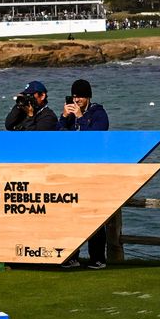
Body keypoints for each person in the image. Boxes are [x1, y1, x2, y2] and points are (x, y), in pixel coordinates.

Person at [57, 79, 111, 269]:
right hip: (72, 169)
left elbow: (95, 137)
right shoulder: (70, 114)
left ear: (88, 96)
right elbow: (58, 136)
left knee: (95, 215)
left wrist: (80, 117)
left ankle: (98, 258)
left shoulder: (99, 113)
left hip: (94, 170)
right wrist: (64, 117)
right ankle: (72, 256)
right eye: (74, 96)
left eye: (79, 96)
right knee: (71, 214)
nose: (76, 99)